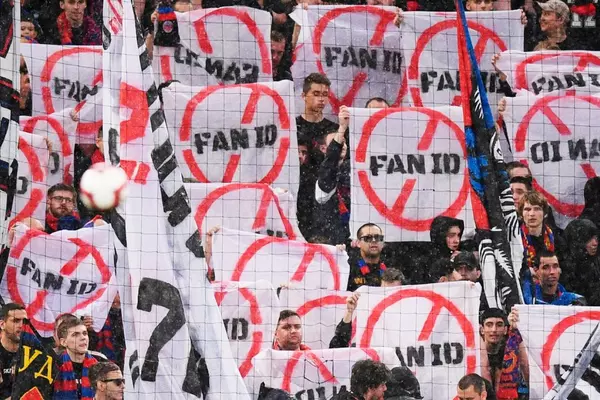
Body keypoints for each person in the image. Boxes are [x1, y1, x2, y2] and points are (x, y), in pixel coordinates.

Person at [479, 308, 529, 400]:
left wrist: (516, 330)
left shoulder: (512, 347)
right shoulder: (474, 352)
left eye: (499, 325)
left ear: (505, 329)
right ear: (482, 330)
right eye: (489, 325)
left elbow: (525, 365)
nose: (494, 330)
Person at [314, 126, 350, 245]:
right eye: (336, 142)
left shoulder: (355, 169)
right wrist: (343, 127)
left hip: (354, 238)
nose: (341, 145)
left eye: (343, 142)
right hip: (331, 238)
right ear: (323, 148)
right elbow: (330, 164)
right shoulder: (320, 172)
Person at [54, 317, 101, 398]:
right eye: (75, 335)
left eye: (85, 333)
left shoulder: (99, 368)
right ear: (64, 342)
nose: (83, 338)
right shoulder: (54, 366)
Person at [518, 191, 562, 273]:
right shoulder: (515, 239)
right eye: (527, 209)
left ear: (545, 213)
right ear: (521, 214)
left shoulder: (556, 239)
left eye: (537, 209)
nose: (532, 214)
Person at [561, 219, 600, 305]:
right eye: (589, 239)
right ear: (578, 240)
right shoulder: (561, 267)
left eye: (596, 238)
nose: (595, 243)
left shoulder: (596, 263)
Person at [347, 223, 389, 291]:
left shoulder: (391, 268)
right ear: (358, 243)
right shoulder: (347, 267)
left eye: (378, 237)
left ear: (383, 243)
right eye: (368, 238)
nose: (374, 240)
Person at [0, 303, 27, 399]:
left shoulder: (34, 354)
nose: (21, 325)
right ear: (2, 324)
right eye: (16, 321)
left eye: (25, 321)